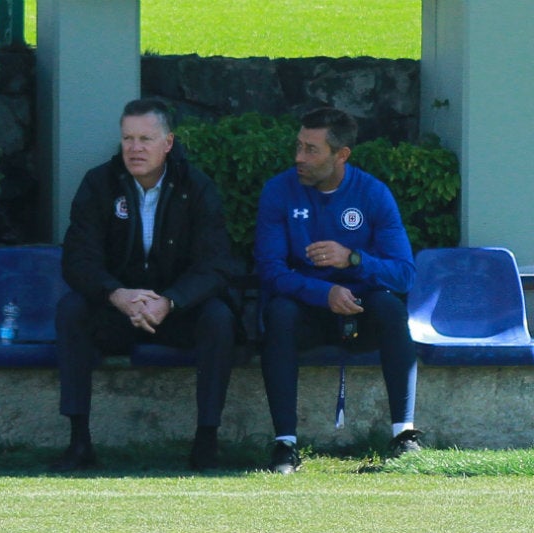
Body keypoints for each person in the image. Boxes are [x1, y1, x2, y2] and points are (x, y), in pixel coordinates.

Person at [51, 98, 239, 472]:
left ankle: (206, 440)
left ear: (168, 143)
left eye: (146, 139)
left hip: (176, 311)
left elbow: (215, 264)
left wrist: (170, 301)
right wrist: (116, 294)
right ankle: (79, 440)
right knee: (71, 310)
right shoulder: (98, 184)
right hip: (118, 309)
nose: (135, 149)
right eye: (128, 139)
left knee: (218, 318)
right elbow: (78, 259)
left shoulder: (197, 187)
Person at [254, 107, 422, 474]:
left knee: (392, 308)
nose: (299, 157)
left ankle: (404, 435)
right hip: (307, 310)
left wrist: (355, 260)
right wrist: (322, 293)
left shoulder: (373, 194)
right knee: (280, 311)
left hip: (362, 311)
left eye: (311, 150)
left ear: (341, 155)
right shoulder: (279, 191)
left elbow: (404, 275)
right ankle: (285, 444)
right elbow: (270, 271)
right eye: (298, 146)